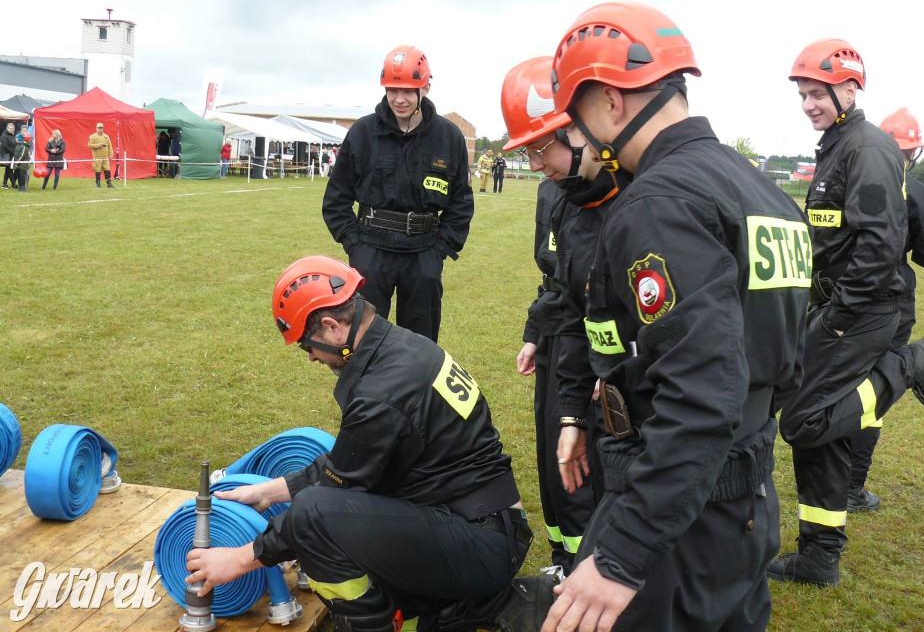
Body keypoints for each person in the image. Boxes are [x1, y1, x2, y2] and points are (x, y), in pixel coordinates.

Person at [535, 2, 810, 632]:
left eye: (578, 116)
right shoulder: (760, 191)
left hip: (676, 500)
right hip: (746, 492)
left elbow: (701, 392)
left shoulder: (658, 202)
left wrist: (624, 554)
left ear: (609, 100)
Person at [184, 255, 552, 632]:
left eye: (306, 345)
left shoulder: (382, 392)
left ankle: (382, 622)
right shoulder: (401, 346)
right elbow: (350, 463)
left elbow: (326, 497)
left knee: (312, 517)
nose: (310, 356)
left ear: (331, 327)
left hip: (480, 545)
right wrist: (268, 493)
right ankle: (432, 612)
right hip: (485, 523)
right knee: (318, 509)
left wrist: (241, 559)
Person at [767, 39, 924, 588]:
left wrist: (841, 315)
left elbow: (880, 242)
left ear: (850, 89)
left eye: (816, 93)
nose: (807, 103)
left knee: (802, 419)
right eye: (802, 94)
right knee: (821, 432)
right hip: (839, 304)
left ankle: (909, 368)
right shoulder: (837, 145)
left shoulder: (867, 147)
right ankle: (820, 556)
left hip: (864, 308)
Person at [501, 56, 607, 582]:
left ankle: (590, 565)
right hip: (558, 343)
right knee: (552, 459)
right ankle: (565, 557)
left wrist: (602, 369)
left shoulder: (621, 193)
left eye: (540, 148)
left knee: (588, 469)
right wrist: (532, 334)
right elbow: (555, 278)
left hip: (594, 356)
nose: (535, 163)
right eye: (526, 151)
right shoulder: (554, 192)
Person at [322, 45, 474, 343]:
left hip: (423, 255)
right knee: (362, 338)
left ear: (425, 87)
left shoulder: (448, 136)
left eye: (408, 90)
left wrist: (439, 250)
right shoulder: (363, 132)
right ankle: (364, 391)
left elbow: (461, 202)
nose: (399, 99)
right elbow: (336, 200)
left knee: (420, 343)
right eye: (393, 90)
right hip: (371, 252)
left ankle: (415, 392)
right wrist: (356, 246)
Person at [847, 108, 924, 513]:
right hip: (892, 301)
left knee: (840, 383)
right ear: (913, 152)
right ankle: (852, 486)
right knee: (876, 386)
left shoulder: (849, 177)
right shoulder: (917, 192)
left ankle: (838, 479)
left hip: (844, 297)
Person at [88, 122, 115, 188]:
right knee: (97, 170)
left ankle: (109, 183)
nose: (100, 129)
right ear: (96, 128)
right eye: (99, 128)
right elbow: (89, 145)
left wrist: (111, 155)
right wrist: (97, 145)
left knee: (107, 170)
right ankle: (98, 183)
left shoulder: (106, 136)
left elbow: (110, 146)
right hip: (97, 157)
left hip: (105, 157)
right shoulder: (92, 136)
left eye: (101, 128)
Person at [1, 121, 17, 189]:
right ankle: (13, 183)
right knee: (9, 169)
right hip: (6, 155)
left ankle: (4, 184)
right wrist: (13, 152)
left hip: (11, 155)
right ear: (7, 128)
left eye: (12, 128)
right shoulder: (4, 136)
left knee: (8, 169)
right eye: (10, 128)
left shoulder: (12, 136)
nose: (11, 129)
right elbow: (5, 146)